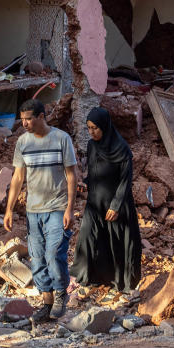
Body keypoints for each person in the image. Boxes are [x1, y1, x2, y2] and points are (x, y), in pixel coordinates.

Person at [4, 98, 78, 322]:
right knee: (36, 258)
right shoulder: (23, 143)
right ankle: (46, 301)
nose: (24, 123)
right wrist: (9, 209)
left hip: (57, 206)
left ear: (41, 117)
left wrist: (70, 209)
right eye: (22, 119)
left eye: (29, 119)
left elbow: (72, 175)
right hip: (33, 210)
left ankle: (61, 294)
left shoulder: (61, 139)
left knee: (54, 254)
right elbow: (18, 177)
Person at [70, 107, 142, 298]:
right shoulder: (93, 146)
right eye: (89, 128)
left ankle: (120, 283)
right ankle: (87, 276)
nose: (92, 132)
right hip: (96, 201)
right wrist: (85, 183)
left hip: (116, 204)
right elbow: (94, 171)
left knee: (116, 243)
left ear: (105, 126)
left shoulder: (121, 149)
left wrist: (116, 206)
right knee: (88, 237)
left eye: (95, 128)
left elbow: (125, 180)